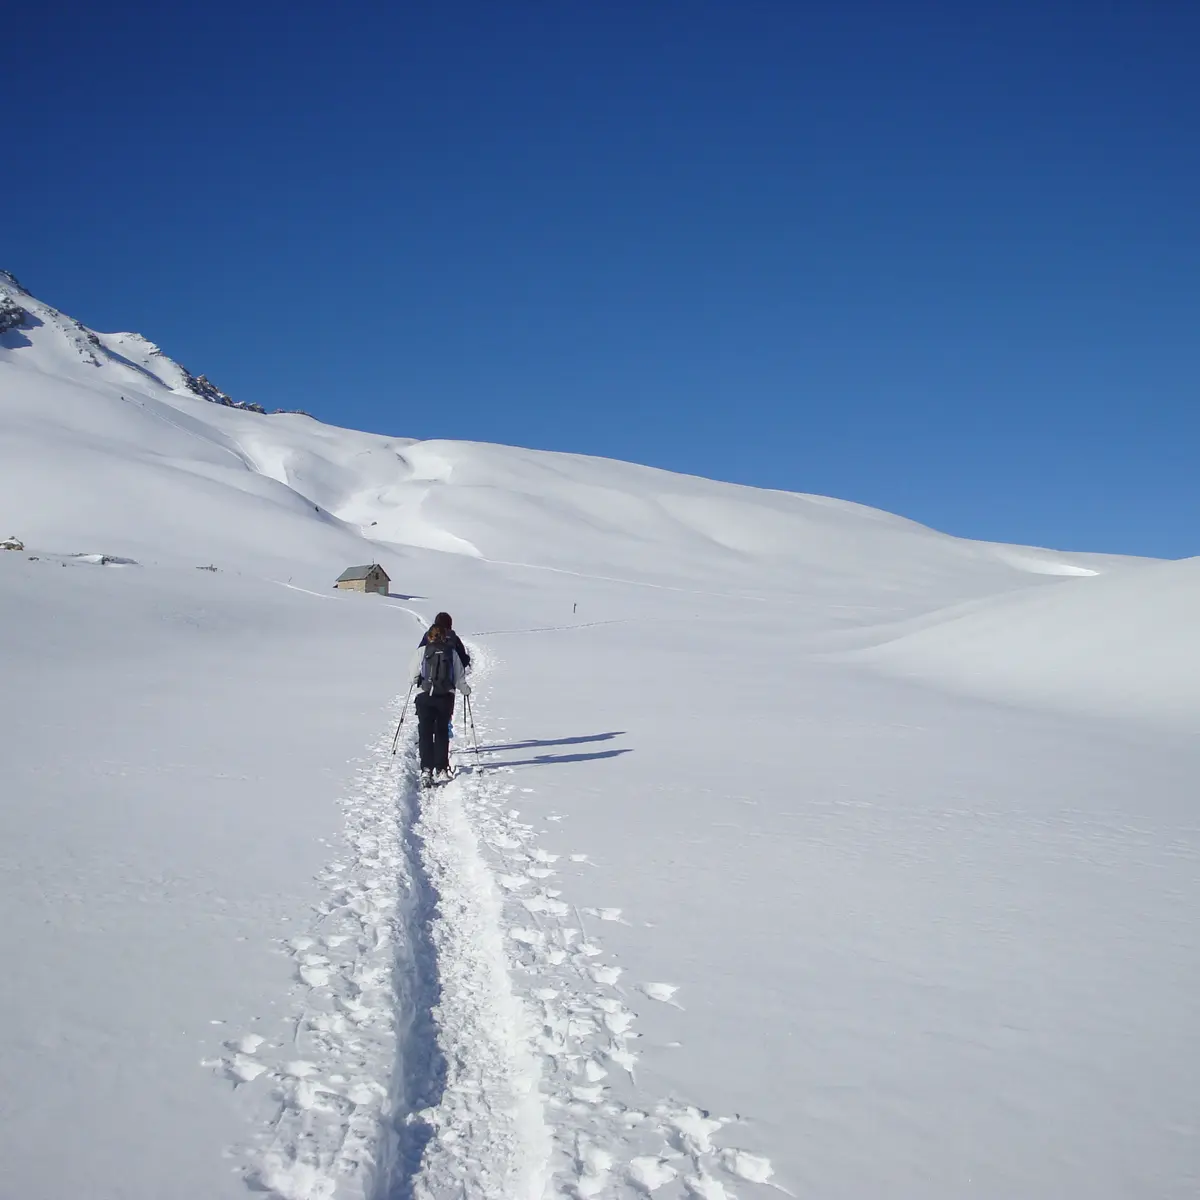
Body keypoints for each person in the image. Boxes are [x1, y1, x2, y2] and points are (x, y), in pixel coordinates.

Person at [408, 621, 470, 786]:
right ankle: (441, 769)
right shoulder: (452, 652)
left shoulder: (422, 651)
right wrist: (465, 691)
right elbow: (459, 677)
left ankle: (426, 770)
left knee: (425, 732)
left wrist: (416, 682)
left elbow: (413, 675)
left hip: (425, 696)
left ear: (429, 637)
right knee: (442, 731)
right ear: (445, 636)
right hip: (445, 697)